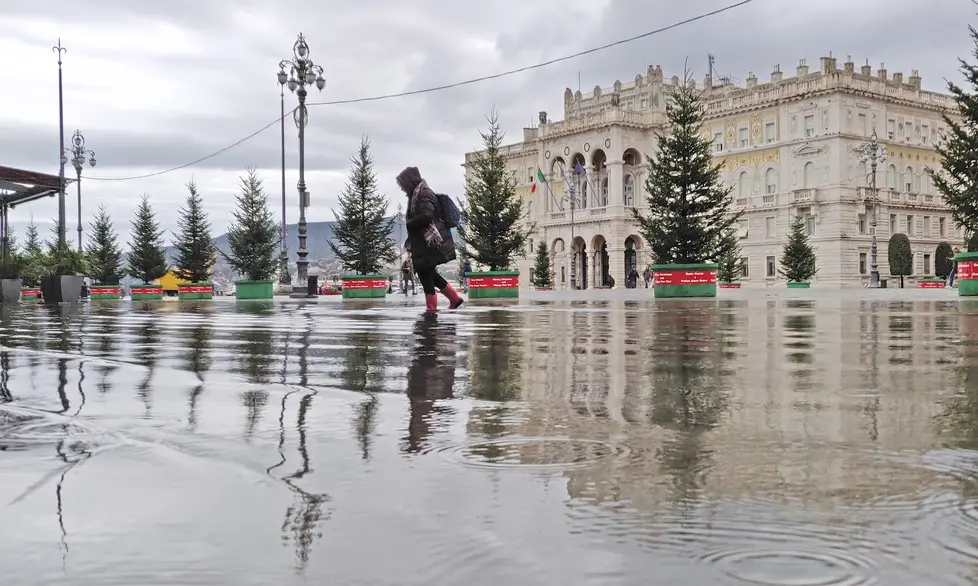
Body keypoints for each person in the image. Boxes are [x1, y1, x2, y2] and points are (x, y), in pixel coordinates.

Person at [397, 166, 463, 311]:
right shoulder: (417, 194)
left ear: (410, 182)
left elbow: (427, 215)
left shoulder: (423, 194)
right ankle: (454, 299)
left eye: (403, 185)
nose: (402, 188)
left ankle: (432, 309)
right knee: (429, 274)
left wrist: (409, 223)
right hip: (423, 243)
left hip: (428, 243)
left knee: (425, 275)